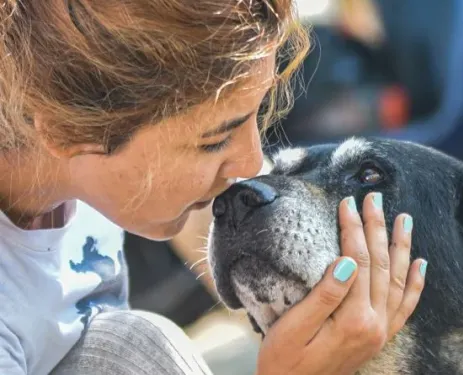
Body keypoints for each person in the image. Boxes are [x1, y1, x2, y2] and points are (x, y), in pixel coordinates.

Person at [0, 1, 428, 374]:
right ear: (67, 127)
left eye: (256, 118)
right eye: (214, 140)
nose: (251, 165)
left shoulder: (74, 165)